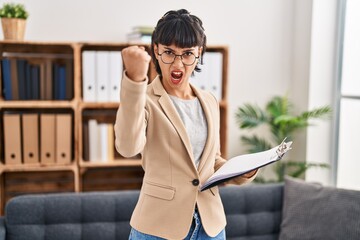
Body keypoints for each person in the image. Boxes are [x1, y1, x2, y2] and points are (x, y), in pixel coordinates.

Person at [115, 9, 257, 240]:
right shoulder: (146, 99)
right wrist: (134, 80)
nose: (178, 63)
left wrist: (241, 171)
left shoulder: (209, 101)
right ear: (156, 51)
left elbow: (211, 161)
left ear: (199, 53)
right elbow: (128, 147)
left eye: (187, 53)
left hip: (209, 227)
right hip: (158, 226)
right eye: (169, 52)